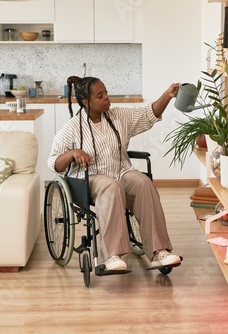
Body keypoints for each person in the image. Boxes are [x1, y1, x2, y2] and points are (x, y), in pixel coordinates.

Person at [47, 76, 182, 271]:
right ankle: (112, 255)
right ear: (86, 102)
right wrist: (72, 153)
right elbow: (53, 162)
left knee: (143, 182)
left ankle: (159, 251)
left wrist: (168, 95)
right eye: (100, 96)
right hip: (90, 178)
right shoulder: (72, 128)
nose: (107, 98)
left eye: (106, 93)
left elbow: (148, 114)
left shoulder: (118, 116)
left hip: (121, 171)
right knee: (111, 185)